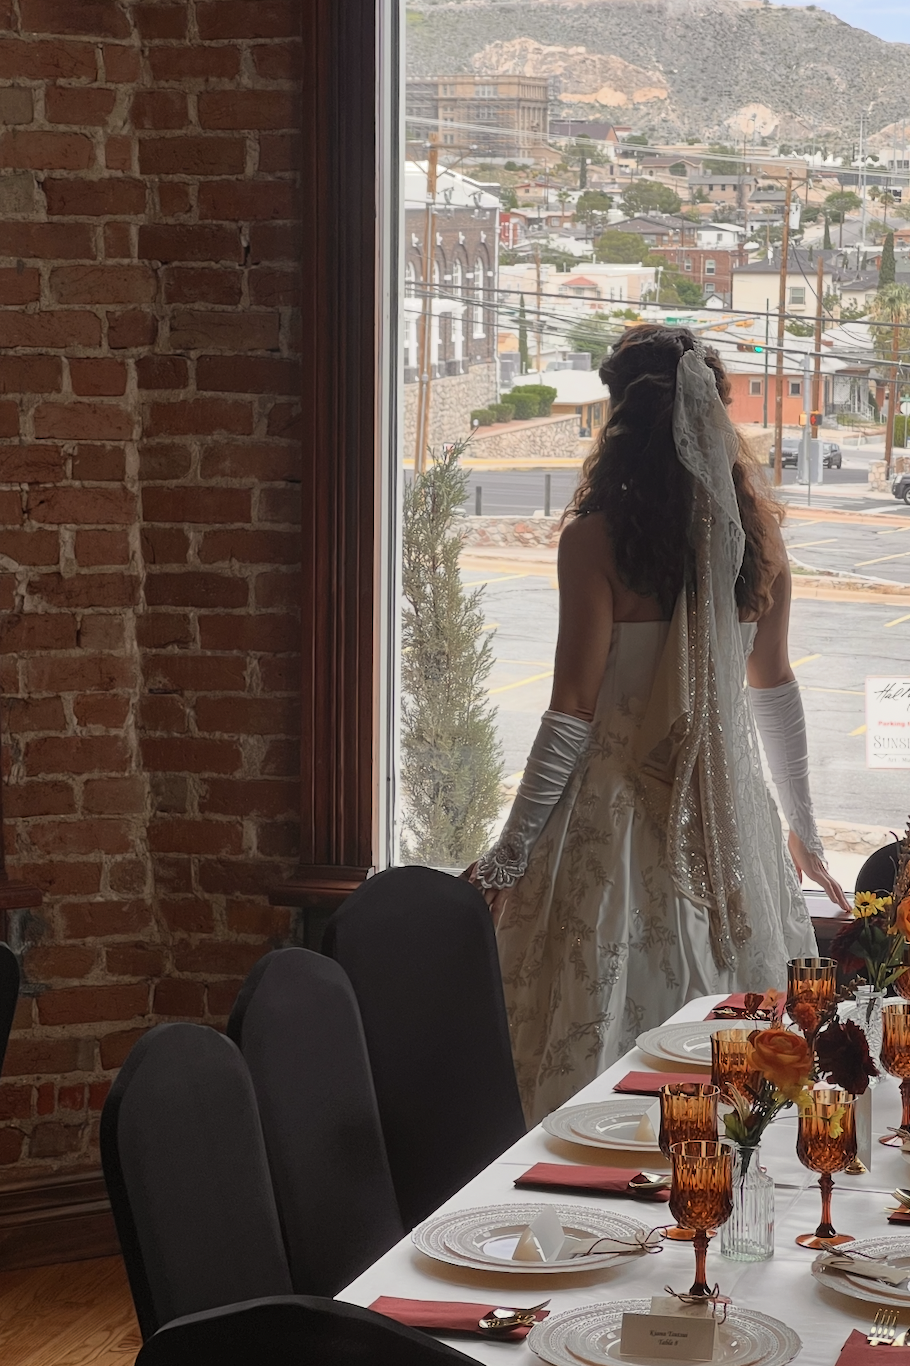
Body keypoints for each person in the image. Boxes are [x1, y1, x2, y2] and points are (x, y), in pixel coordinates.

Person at [467, 326, 848, 1125]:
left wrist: (510, 858)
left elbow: (571, 711)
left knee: (597, 1019)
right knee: (738, 1049)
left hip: (613, 818)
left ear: (619, 421)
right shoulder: (757, 542)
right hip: (727, 815)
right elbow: (774, 688)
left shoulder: (594, 541)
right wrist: (801, 828)